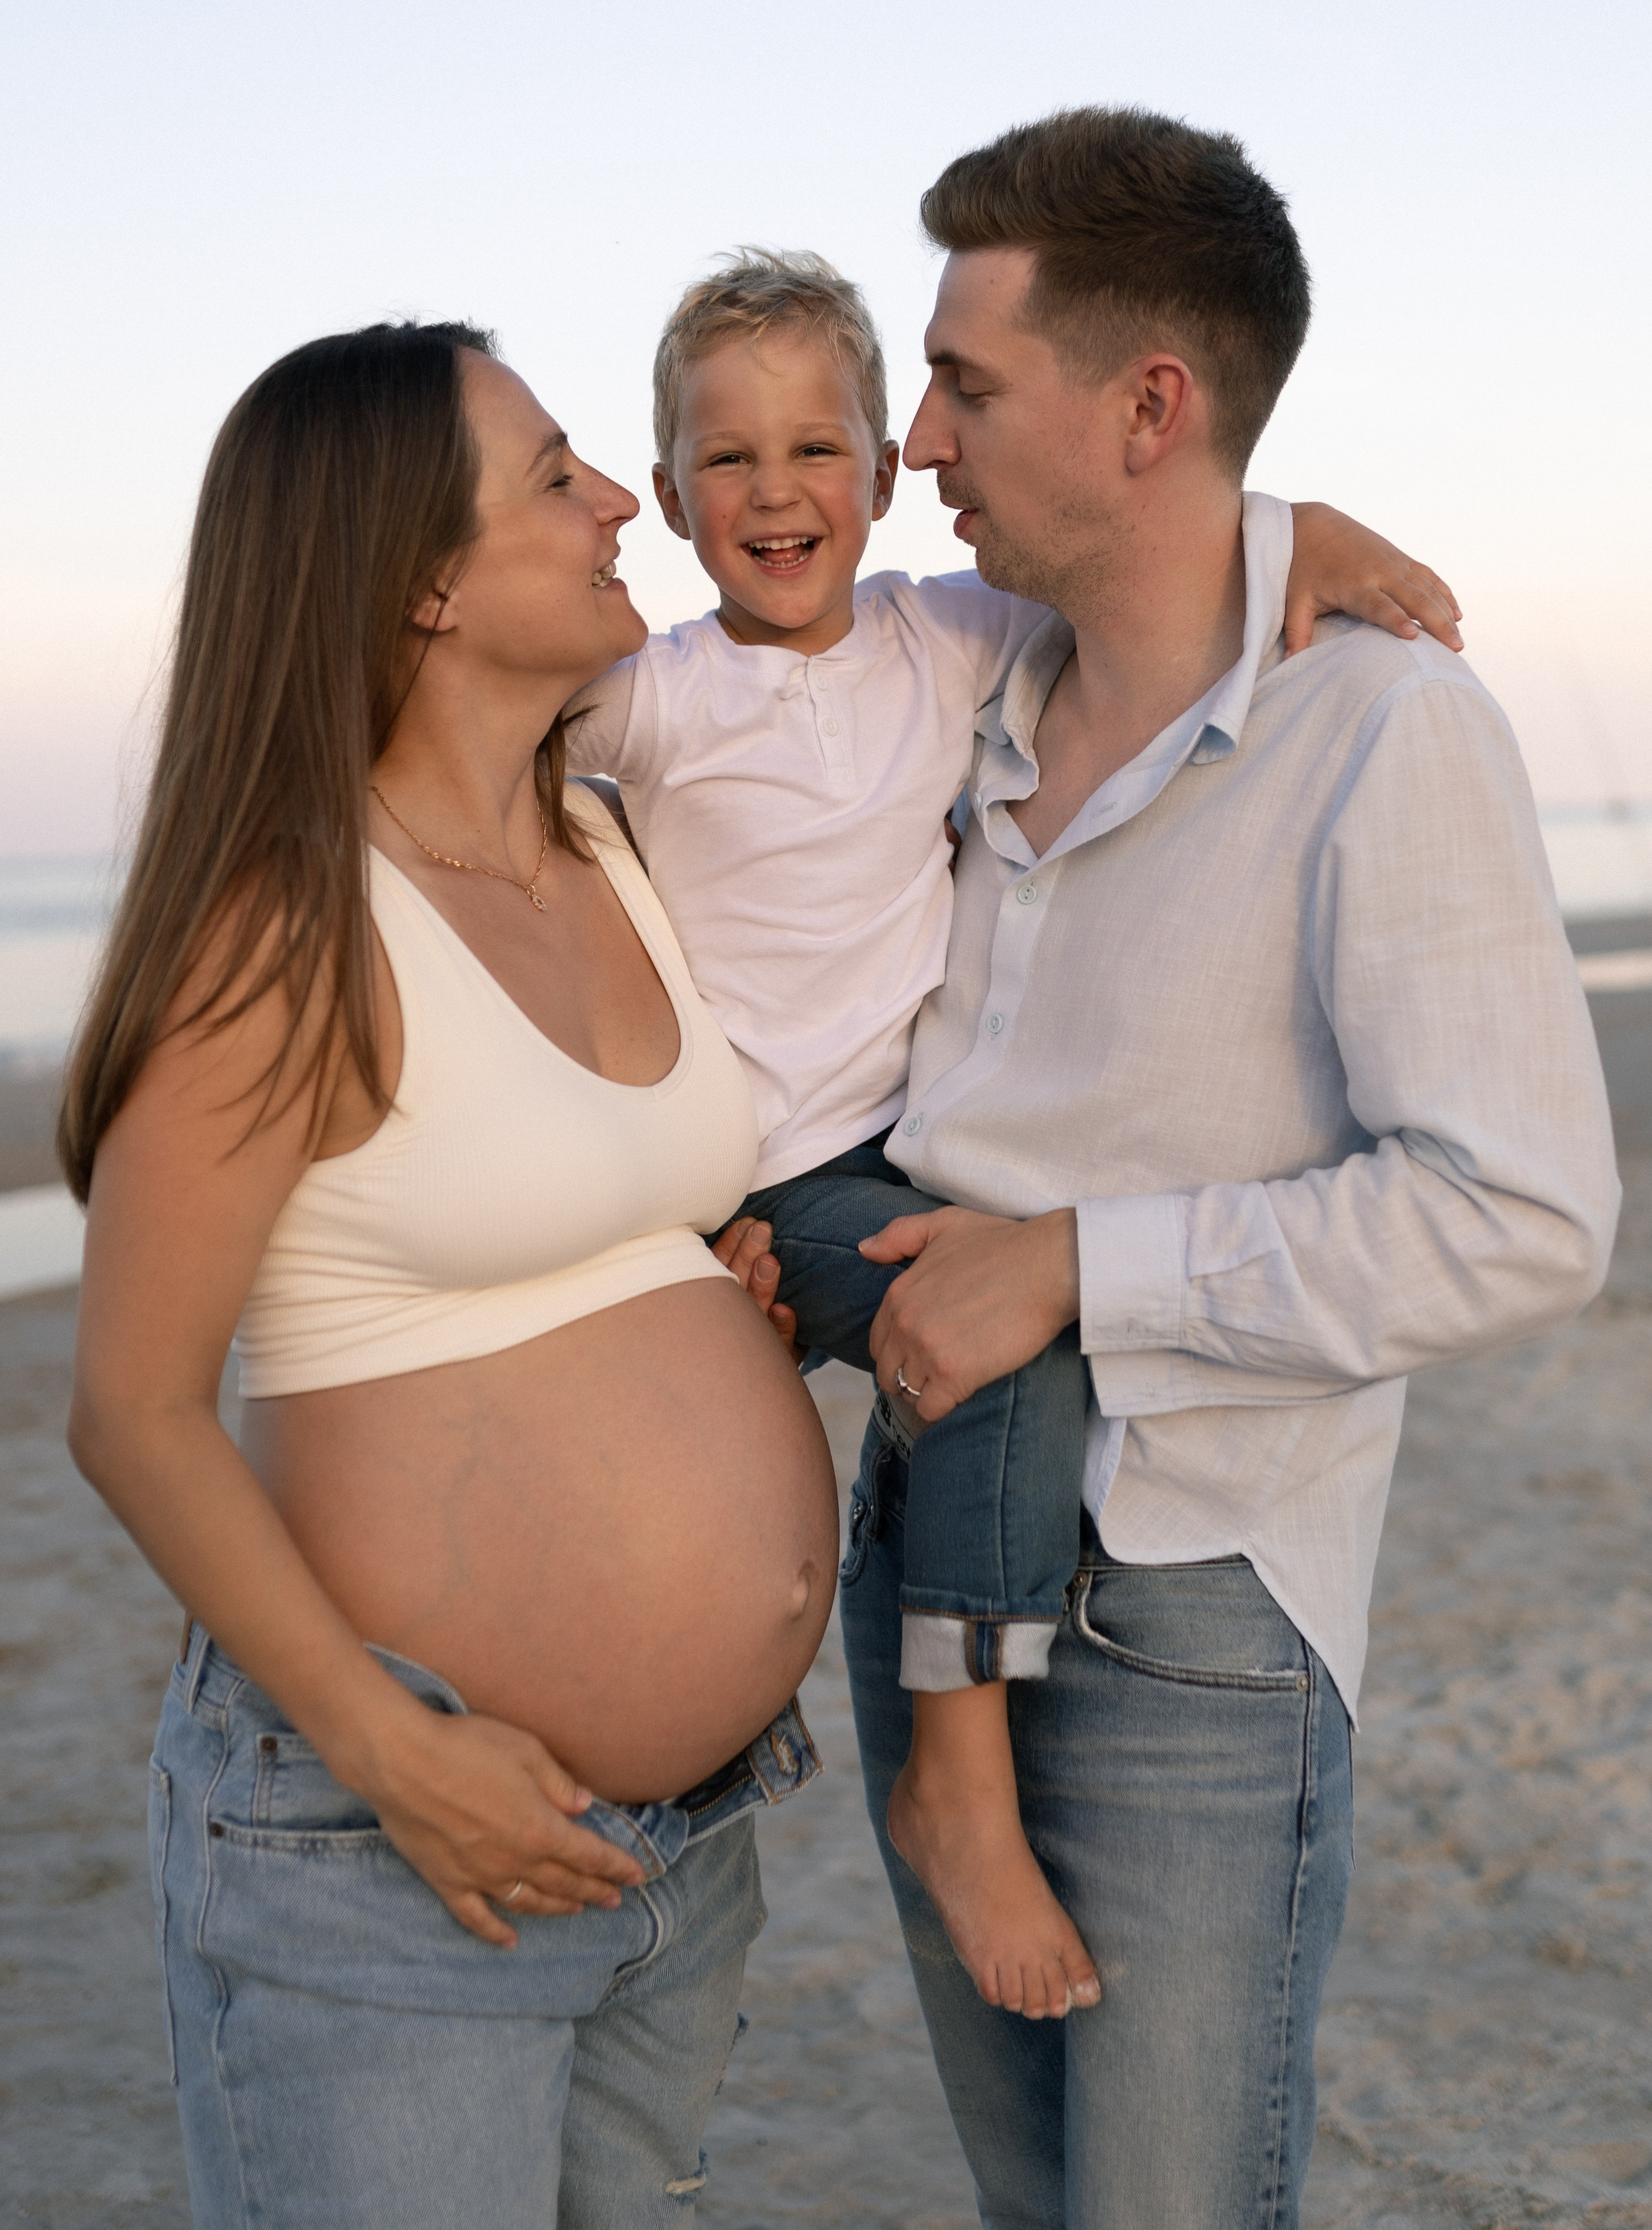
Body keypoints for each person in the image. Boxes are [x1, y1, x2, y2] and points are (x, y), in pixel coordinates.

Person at [805, 108, 1620, 2227]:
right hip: (926, 1570)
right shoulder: (958, 688)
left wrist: (1081, 1262)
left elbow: (1524, 1214)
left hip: (1187, 1622)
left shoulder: (1387, 730)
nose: (918, 442)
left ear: (1149, 406)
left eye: (965, 384)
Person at [565, 249, 1467, 2018]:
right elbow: (470, 770)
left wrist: (1307, 533)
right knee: (1002, 1349)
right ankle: (959, 1778)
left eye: (816, 449)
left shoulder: (947, 633)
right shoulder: (651, 697)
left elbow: (1152, 567)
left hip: (916, 1141)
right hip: (765, 1174)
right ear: (666, 495)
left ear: (883, 472)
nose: (775, 491)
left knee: (986, 1331)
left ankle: (933, 1723)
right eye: (726, 458)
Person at [58, 320, 839, 2228]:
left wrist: (694, 1296)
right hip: (399, 1841)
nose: (620, 501)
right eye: (557, 475)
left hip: (685, 1842)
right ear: (420, 580)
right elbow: (133, 1412)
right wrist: (392, 1753)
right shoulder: (286, 929)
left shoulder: (614, 844)